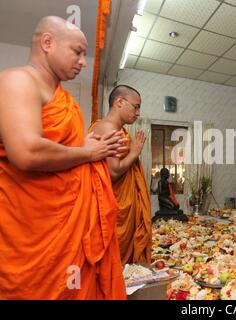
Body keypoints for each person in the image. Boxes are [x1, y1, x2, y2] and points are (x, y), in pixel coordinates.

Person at [0, 16, 127, 299]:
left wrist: (91, 144)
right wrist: (87, 152)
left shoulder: (63, 99)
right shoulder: (17, 80)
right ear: (48, 43)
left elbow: (59, 147)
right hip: (31, 237)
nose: (83, 61)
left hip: (70, 234)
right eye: (78, 51)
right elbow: (27, 152)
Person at [90, 85, 152, 266]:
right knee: (115, 263)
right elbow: (113, 172)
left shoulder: (112, 128)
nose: (138, 112)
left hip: (123, 205)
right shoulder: (109, 128)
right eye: (136, 106)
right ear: (119, 102)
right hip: (115, 208)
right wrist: (134, 153)